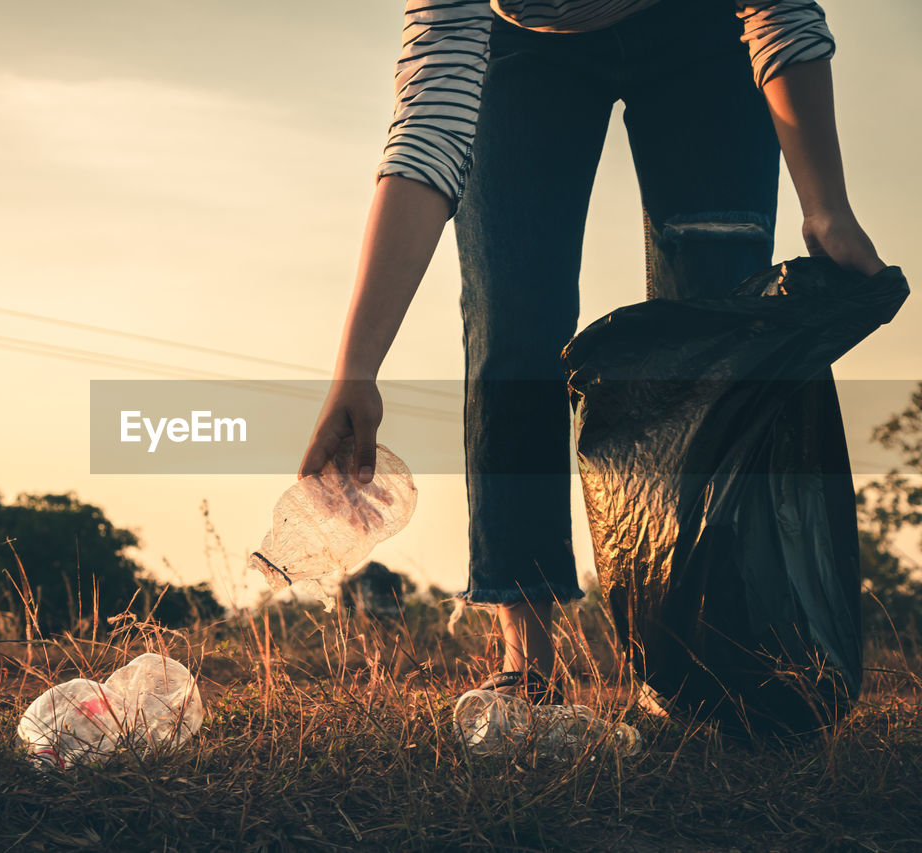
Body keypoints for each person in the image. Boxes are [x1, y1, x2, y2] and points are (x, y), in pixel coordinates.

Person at [298, 0, 885, 704]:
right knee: (513, 315)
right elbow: (427, 133)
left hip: (701, 28)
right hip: (523, 53)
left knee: (710, 330)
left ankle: (699, 654)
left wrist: (827, 205)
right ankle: (528, 659)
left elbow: (780, 11)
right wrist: (357, 367)